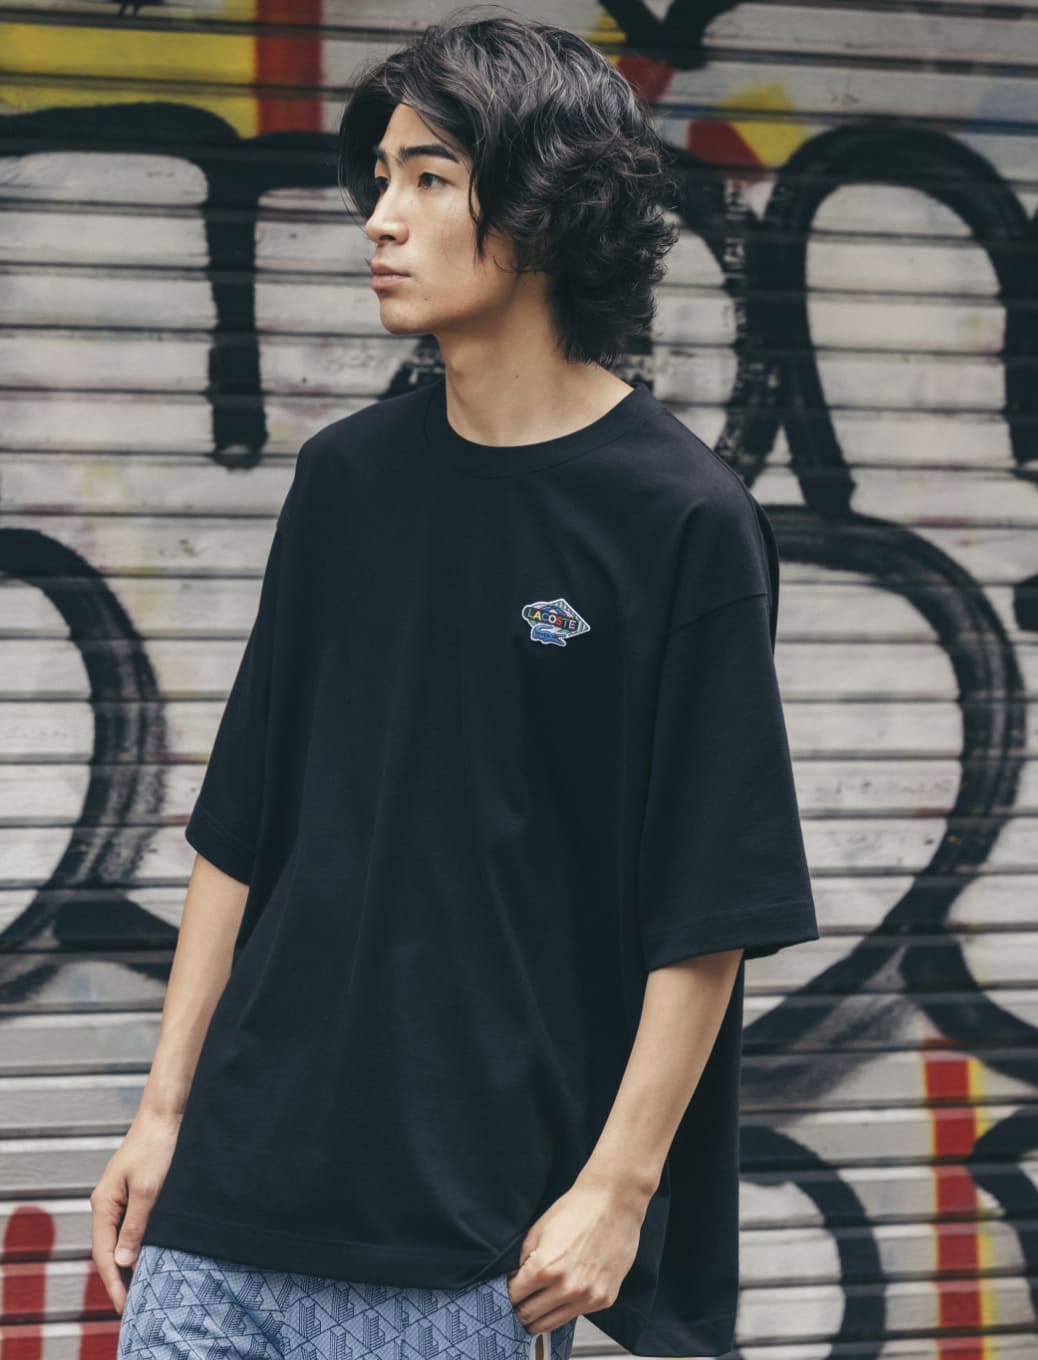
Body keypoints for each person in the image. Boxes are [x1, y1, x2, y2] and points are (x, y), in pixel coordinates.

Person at [95, 11, 819, 1360]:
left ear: (548, 203)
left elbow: (709, 905)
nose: (381, 217)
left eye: (430, 177)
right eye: (380, 177)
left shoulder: (679, 519)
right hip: (227, 1208)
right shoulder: (346, 482)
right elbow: (241, 828)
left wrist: (616, 1191)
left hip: (465, 1236)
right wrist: (161, 1115)